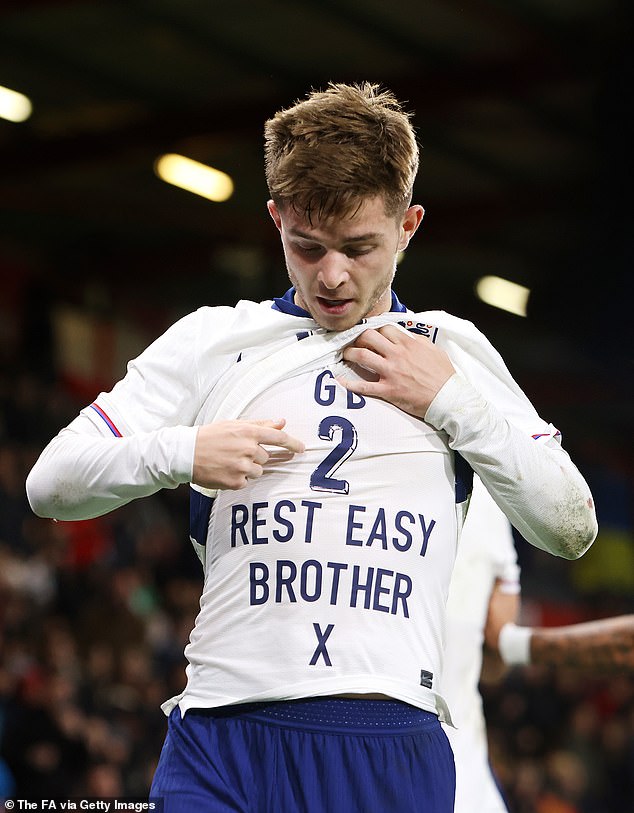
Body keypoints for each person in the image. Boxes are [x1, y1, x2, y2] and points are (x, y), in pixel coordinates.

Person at [26, 82, 598, 812]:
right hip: (219, 736)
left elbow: (571, 524)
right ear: (276, 221)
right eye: (308, 246)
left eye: (360, 248)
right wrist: (182, 451)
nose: (332, 275)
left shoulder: (454, 351)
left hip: (385, 741)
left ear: (409, 225)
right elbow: (50, 483)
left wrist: (453, 402)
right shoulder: (213, 341)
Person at [443, 477, 634, 813]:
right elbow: (498, 650)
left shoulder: (489, 505)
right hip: (456, 772)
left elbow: (496, 651)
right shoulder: (489, 500)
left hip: (426, 759)